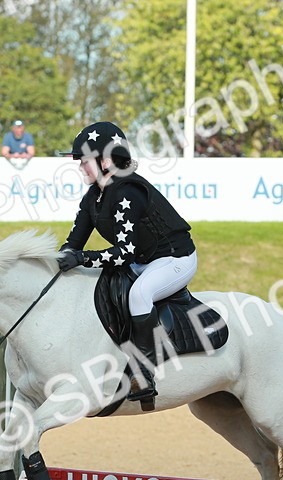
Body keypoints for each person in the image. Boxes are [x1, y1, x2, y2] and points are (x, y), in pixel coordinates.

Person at [56, 121, 196, 402]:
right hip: (142, 261)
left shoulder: (127, 192)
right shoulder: (94, 196)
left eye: (84, 161)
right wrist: (54, 263)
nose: (80, 167)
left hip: (175, 259)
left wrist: (81, 258)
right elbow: (72, 244)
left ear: (106, 161)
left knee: (139, 294)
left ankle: (144, 372)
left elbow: (124, 253)